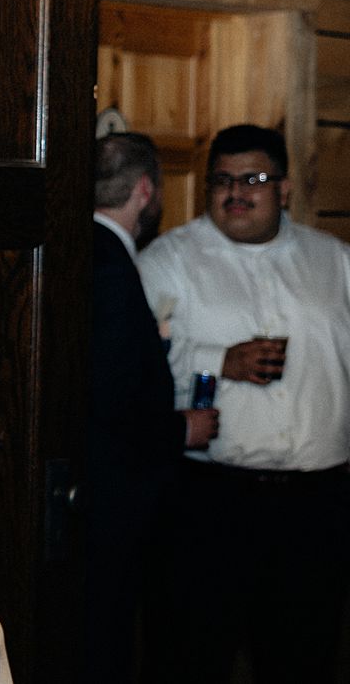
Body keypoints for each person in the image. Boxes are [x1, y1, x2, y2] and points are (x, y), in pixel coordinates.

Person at [138, 124, 350, 683]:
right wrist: (216, 359)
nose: (237, 192)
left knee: (305, 656)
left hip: (318, 500)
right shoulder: (169, 259)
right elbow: (126, 367)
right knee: (193, 656)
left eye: (254, 179)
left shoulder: (334, 260)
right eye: (223, 180)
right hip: (213, 498)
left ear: (284, 189)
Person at [86, 132, 218, 682]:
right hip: (110, 497)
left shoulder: (89, 250)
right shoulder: (112, 265)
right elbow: (108, 400)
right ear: (147, 190)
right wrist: (179, 430)